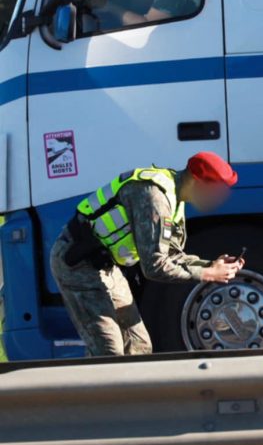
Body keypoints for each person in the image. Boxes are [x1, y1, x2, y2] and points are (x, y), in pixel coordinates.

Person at [50, 152, 243, 357]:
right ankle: (88, 388)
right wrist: (207, 275)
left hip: (105, 266)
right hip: (78, 264)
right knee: (108, 352)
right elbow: (154, 267)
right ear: (198, 181)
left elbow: (170, 256)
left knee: (138, 347)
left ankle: (127, 388)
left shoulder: (175, 198)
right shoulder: (155, 198)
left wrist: (210, 265)